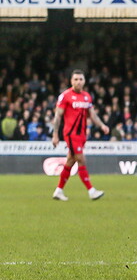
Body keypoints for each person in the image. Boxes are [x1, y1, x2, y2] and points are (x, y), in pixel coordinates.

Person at [50, 69, 111, 201]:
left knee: (70, 161)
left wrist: (102, 126)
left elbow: (92, 114)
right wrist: (55, 134)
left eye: (81, 79)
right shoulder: (65, 96)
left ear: (84, 81)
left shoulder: (86, 96)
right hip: (71, 134)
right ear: (71, 81)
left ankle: (58, 191)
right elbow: (58, 116)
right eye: (76, 79)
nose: (78, 82)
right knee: (81, 160)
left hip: (82, 135)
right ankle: (91, 190)